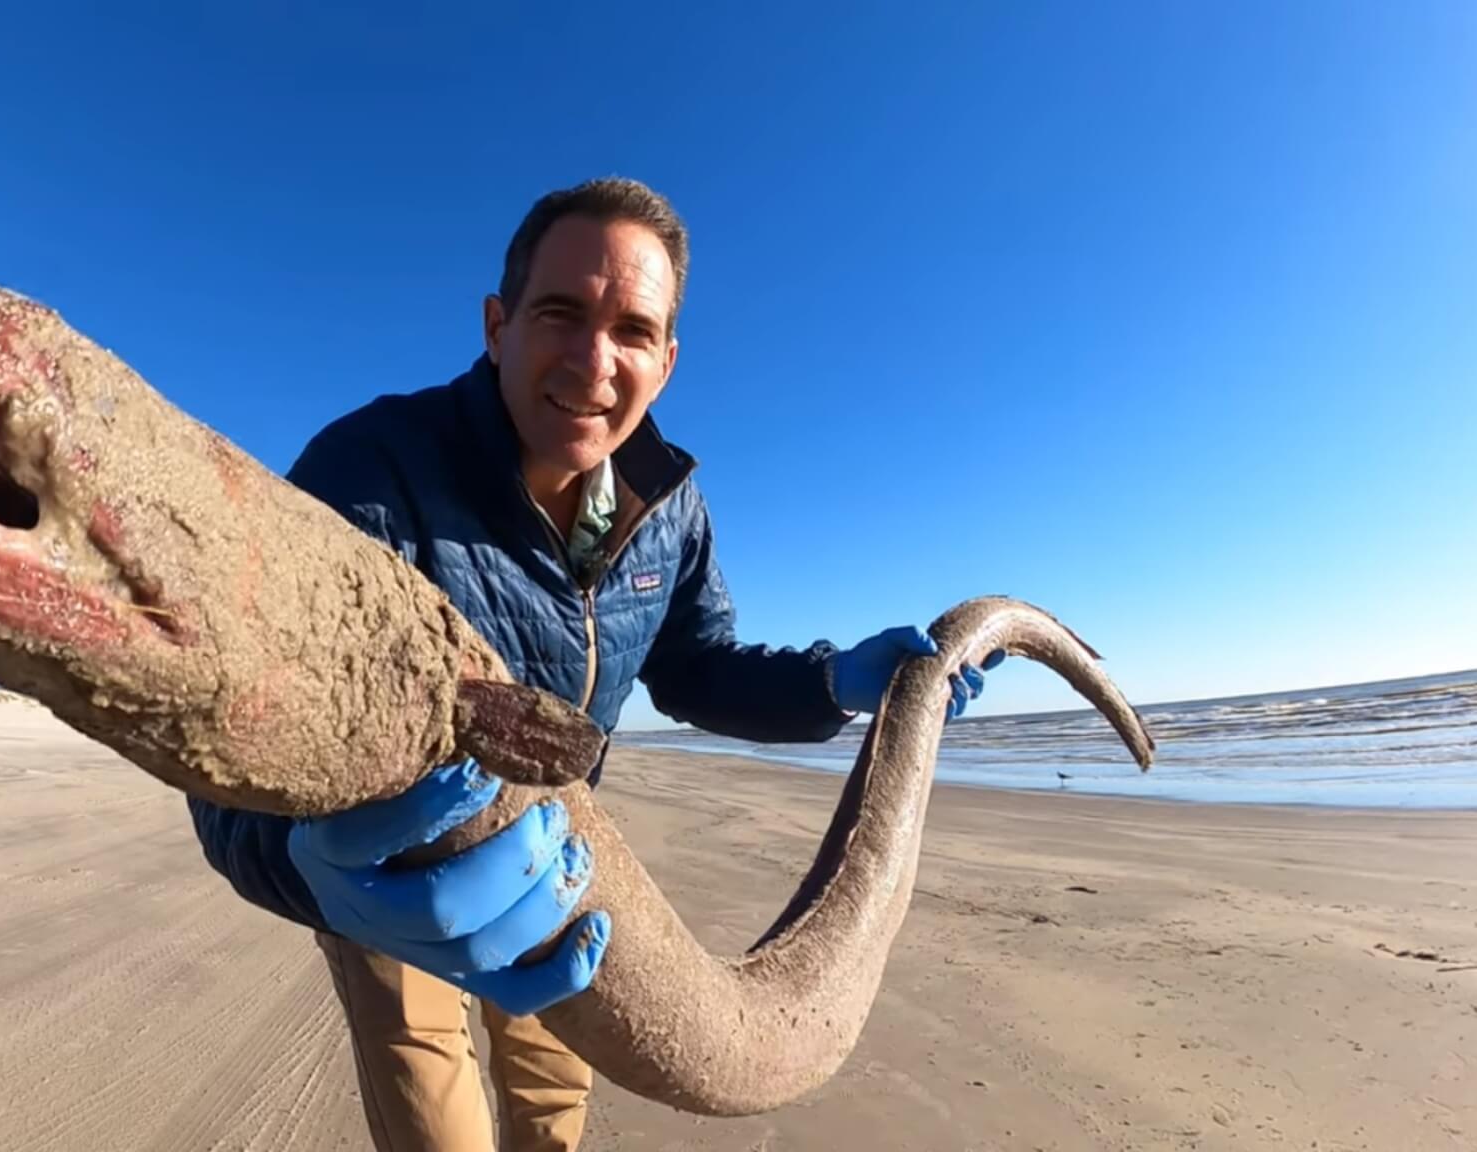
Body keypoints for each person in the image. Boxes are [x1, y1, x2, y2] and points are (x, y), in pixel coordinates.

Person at [188, 177, 999, 1152]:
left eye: (632, 331)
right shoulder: (373, 470)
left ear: (666, 362)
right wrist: (309, 873)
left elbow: (695, 667)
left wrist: (834, 684)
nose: (592, 360)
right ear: (498, 326)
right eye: (560, 314)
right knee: (430, 1111)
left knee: (551, 1103)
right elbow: (230, 724)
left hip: (563, 857)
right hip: (389, 871)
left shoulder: (669, 507)